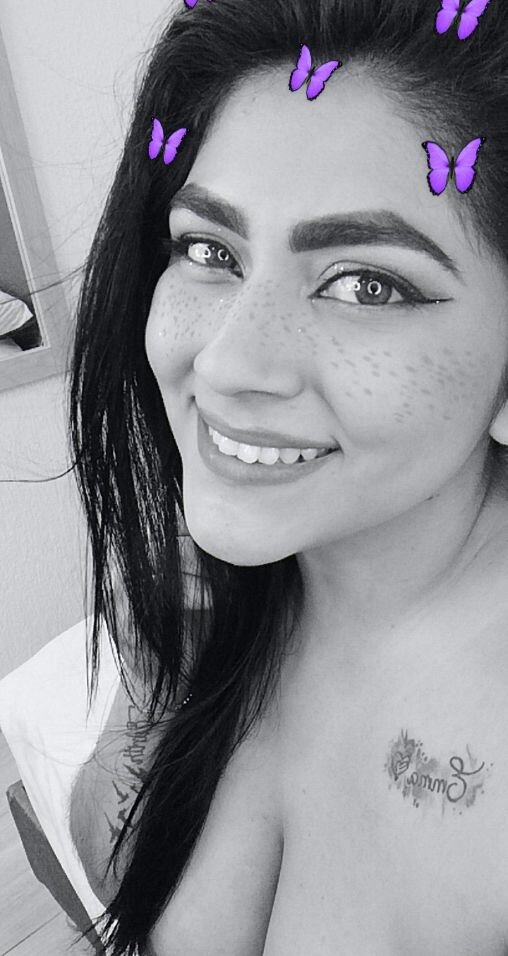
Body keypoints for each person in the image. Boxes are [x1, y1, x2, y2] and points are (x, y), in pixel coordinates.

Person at [68, 0, 508, 953]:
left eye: (366, 284)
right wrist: (151, 677)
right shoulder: (220, 583)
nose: (227, 364)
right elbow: (119, 864)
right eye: (209, 251)